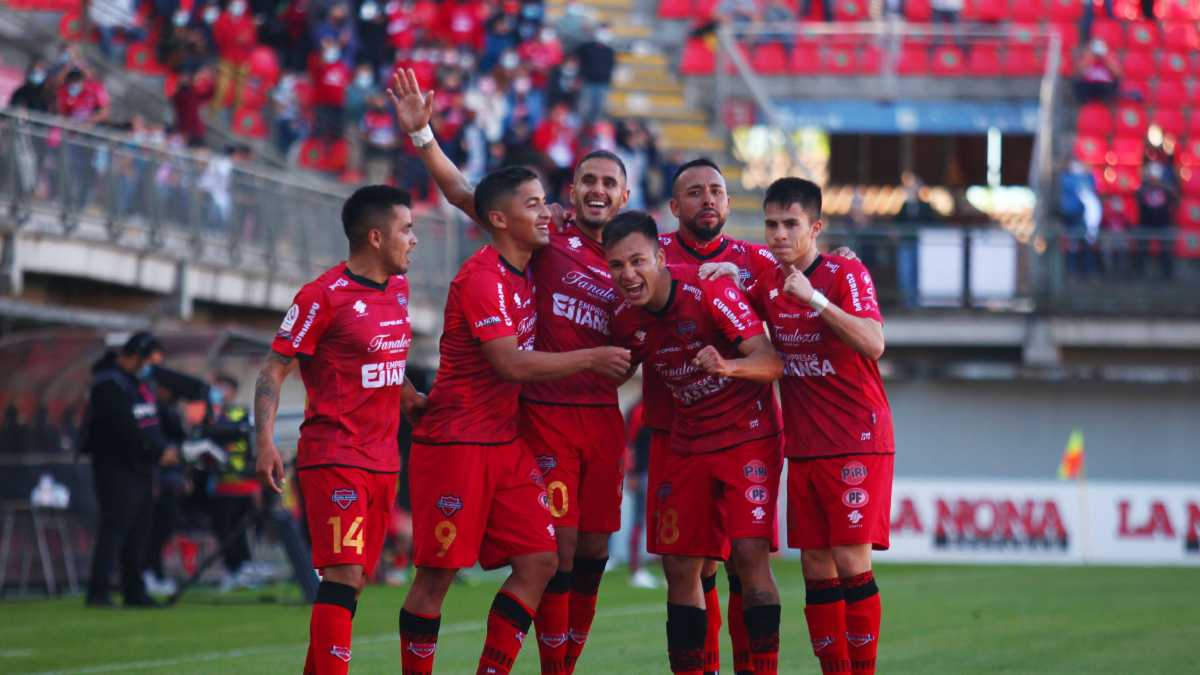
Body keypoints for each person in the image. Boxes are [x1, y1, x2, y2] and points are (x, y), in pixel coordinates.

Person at [390, 67, 647, 673]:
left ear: (626, 196)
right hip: (523, 425)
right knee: (510, 563)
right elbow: (465, 193)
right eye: (588, 179)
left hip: (573, 427)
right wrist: (424, 135)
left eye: (610, 181)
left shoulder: (637, 255)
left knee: (582, 558)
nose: (598, 189)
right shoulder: (539, 237)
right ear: (572, 188)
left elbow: (694, 276)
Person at [604, 210, 785, 675]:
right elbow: (622, 365)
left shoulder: (710, 289)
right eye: (617, 265)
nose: (629, 274)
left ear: (661, 257)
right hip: (689, 443)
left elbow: (771, 363)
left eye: (638, 261)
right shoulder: (625, 320)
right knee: (680, 568)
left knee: (747, 555)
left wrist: (729, 366)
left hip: (750, 436)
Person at [254, 185, 421, 675]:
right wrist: (263, 440)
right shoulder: (321, 297)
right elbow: (273, 368)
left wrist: (408, 393)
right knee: (343, 574)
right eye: (406, 230)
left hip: (384, 458)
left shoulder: (398, 288)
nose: (414, 239)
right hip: (336, 454)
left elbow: (385, 357)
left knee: (354, 583)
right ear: (375, 237)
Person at [739, 177, 891, 675]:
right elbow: (743, 266)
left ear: (816, 227)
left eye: (791, 224)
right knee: (815, 568)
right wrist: (720, 270)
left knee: (850, 563)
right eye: (771, 223)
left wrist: (818, 303)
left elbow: (873, 343)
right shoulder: (769, 281)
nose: (779, 234)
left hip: (856, 442)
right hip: (803, 447)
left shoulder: (844, 273)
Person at [82, 332, 180, 607]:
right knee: (115, 528)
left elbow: (154, 419)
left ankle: (133, 590)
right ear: (136, 357)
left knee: (139, 530)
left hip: (141, 467)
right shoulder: (108, 384)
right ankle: (98, 590)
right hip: (117, 467)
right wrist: (158, 452)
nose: (151, 367)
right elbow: (125, 426)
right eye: (149, 361)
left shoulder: (139, 383)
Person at [207, 375, 264, 593]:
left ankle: (244, 568)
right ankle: (233, 570)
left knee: (240, 529)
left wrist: (257, 484)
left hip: (244, 485)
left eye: (222, 387)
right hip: (221, 486)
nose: (219, 391)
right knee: (223, 530)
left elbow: (256, 449)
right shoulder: (211, 415)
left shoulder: (243, 414)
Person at [210, 0, 258, 116]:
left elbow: (252, 38)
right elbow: (219, 39)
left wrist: (244, 40)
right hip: (226, 58)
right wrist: (236, 39)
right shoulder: (222, 19)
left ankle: (236, 118)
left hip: (242, 60)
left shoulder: (246, 20)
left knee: (240, 93)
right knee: (221, 90)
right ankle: (212, 116)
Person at [1136, 161, 1177, 281]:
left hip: (1163, 222)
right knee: (1142, 250)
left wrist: (1161, 185)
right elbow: (1137, 194)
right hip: (1146, 222)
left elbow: (1174, 196)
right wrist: (1148, 185)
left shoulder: (1165, 186)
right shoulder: (1144, 186)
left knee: (1166, 250)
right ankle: (1139, 275)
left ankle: (1168, 276)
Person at [575, 26, 615, 126]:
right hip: (587, 82)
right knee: (584, 109)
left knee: (598, 109)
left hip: (602, 84)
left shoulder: (609, 51)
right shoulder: (587, 47)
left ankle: (594, 129)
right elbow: (574, 57)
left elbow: (611, 67)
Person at [1074, 39, 1121, 104]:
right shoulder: (1086, 57)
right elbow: (1080, 73)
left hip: (1105, 84)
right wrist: (1089, 60)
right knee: (1079, 84)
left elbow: (1117, 74)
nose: (1098, 56)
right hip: (1089, 84)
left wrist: (1107, 60)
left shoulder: (1110, 57)